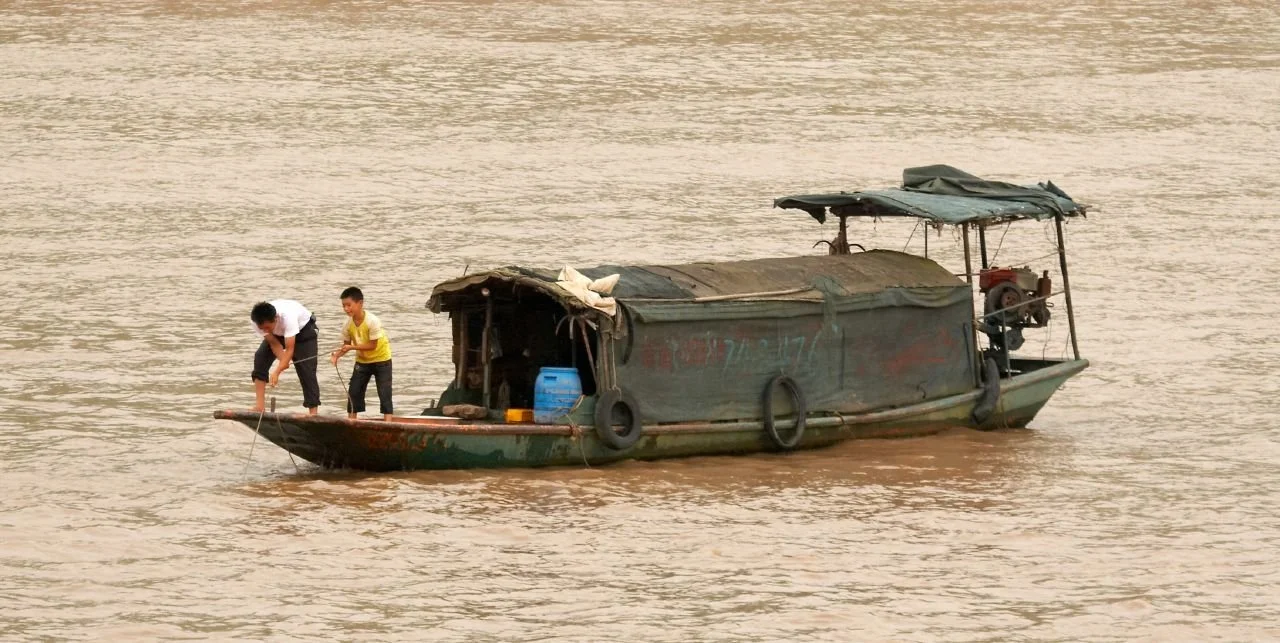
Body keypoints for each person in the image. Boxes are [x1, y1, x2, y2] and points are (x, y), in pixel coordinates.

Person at [330, 286, 393, 420]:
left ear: (360, 303)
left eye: (349, 305)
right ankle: (352, 421)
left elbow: (372, 345)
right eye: (344, 306)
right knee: (354, 392)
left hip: (382, 360)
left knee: (384, 393)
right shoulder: (347, 324)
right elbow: (346, 345)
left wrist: (351, 348)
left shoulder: (372, 321)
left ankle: (388, 423)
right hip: (363, 361)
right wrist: (337, 355)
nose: (346, 309)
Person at [250, 299, 321, 414]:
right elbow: (274, 343)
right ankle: (260, 406)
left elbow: (290, 349)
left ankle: (313, 412)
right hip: (278, 335)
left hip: (304, 331)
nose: (265, 330)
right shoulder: (257, 323)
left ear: (276, 319)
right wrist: (284, 362)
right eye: (262, 328)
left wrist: (277, 371)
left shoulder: (288, 317)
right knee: (260, 358)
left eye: (267, 327)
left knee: (306, 370)